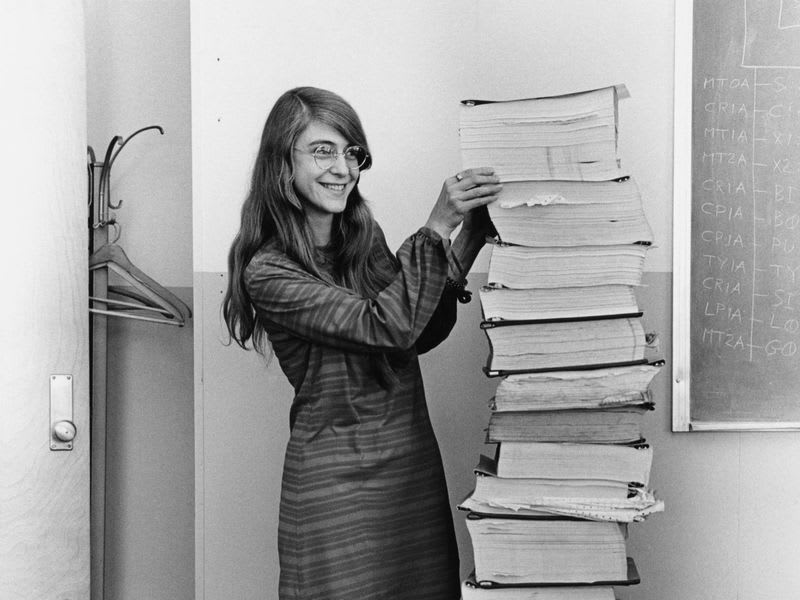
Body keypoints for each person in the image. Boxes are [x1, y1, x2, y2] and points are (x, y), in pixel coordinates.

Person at [223, 86, 501, 600]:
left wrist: (469, 237)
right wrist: (437, 224)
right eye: (322, 150)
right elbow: (384, 325)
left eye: (352, 153)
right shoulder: (269, 270)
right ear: (281, 162)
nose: (342, 168)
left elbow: (415, 333)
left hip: (409, 465)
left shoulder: (363, 237)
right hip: (335, 481)